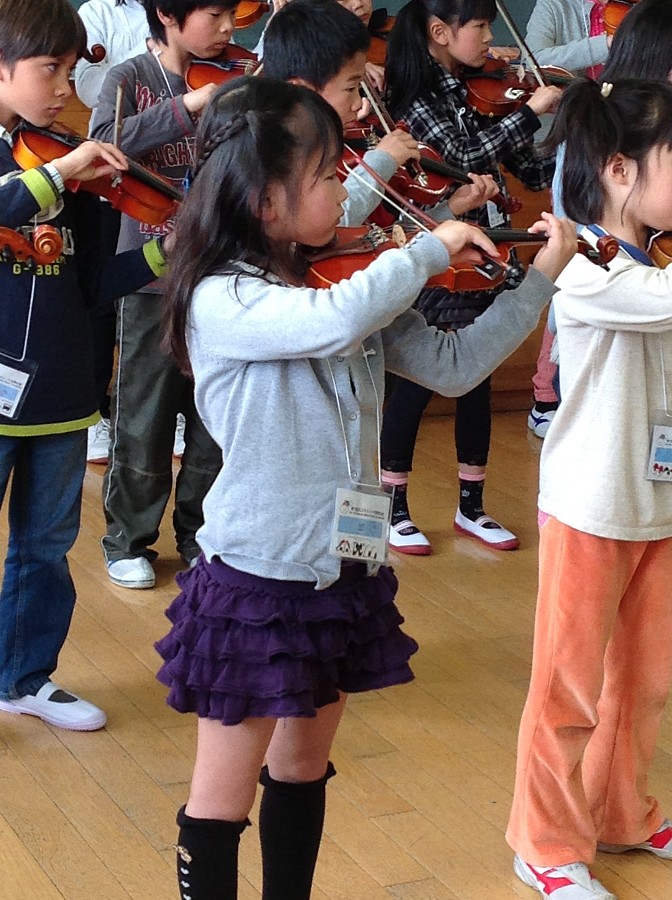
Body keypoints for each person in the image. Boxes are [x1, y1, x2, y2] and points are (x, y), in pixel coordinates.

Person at [154, 75, 576, 900]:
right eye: (324, 176)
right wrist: (427, 246)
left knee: (304, 772)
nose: (342, 190)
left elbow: (454, 366)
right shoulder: (225, 299)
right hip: (257, 579)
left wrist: (541, 281)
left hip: (346, 564)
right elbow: (336, 322)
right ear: (264, 199)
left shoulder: (339, 278)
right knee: (220, 801)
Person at [507, 77, 672, 900]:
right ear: (619, 170)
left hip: (659, 500)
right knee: (567, 685)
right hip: (590, 503)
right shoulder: (584, 271)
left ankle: (622, 813)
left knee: (645, 679)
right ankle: (541, 840)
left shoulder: (649, 258)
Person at [0, 0, 169, 729]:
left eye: (73, 70)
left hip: (64, 393)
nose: (66, 87)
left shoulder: (69, 166)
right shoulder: (50, 168)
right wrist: (62, 172)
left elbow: (98, 284)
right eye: (50, 69)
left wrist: (167, 252)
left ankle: (24, 678)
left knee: (45, 549)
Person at [379, 0, 560, 555]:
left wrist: (559, 125)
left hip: (481, 248)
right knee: (414, 380)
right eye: (479, 25)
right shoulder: (416, 96)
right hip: (433, 247)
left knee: (478, 372)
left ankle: (472, 506)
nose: (490, 38)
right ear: (440, 32)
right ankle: (394, 508)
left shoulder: (472, 89)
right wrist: (528, 111)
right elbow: (461, 154)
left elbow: (527, 167)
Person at [90, 0, 232, 589]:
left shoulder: (234, 81)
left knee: (211, 418)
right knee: (144, 414)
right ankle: (128, 537)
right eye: (216, 16)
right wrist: (189, 106)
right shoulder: (128, 79)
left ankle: (200, 535)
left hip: (222, 280)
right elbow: (102, 144)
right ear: (169, 17)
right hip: (149, 276)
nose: (228, 30)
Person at [74, 0, 153, 465]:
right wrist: (153, 56)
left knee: (161, 302)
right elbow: (87, 86)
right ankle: (93, 412)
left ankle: (157, 410)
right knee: (104, 305)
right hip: (113, 178)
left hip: (171, 178)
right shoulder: (99, 11)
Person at [525, 0, 611, 79]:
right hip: (570, 93)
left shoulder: (624, 7)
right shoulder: (551, 4)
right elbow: (533, 62)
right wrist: (605, 44)